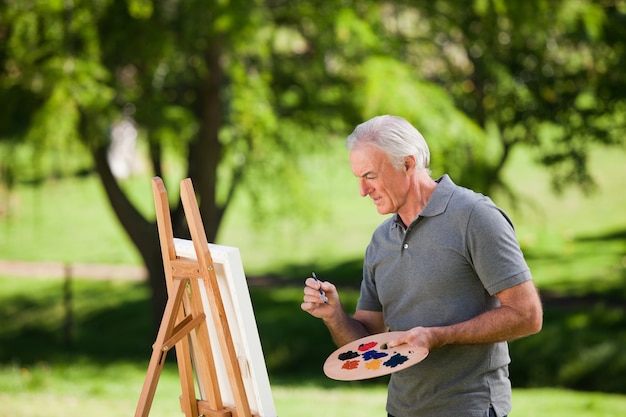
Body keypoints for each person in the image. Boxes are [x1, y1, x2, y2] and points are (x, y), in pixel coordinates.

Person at [301, 115, 543, 417]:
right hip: (401, 410)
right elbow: (367, 344)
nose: (363, 190)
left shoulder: (474, 216)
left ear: (408, 164)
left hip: (470, 409)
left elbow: (527, 315)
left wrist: (439, 336)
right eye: (358, 178)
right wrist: (334, 315)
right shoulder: (380, 241)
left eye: (370, 176)